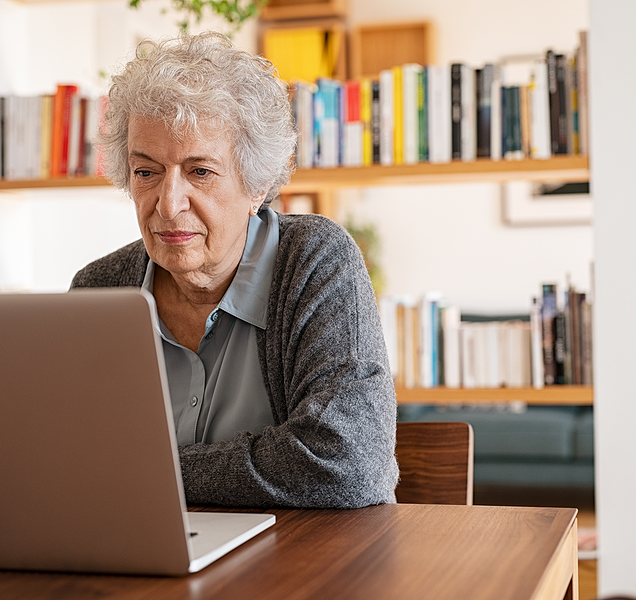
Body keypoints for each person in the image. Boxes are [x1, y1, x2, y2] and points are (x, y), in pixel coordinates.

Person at [71, 31, 398, 508]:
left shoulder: (314, 261)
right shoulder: (99, 290)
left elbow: (347, 462)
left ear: (257, 185)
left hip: (311, 566)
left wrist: (149, 471)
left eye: (200, 171)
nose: (168, 202)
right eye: (147, 172)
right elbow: (71, 463)